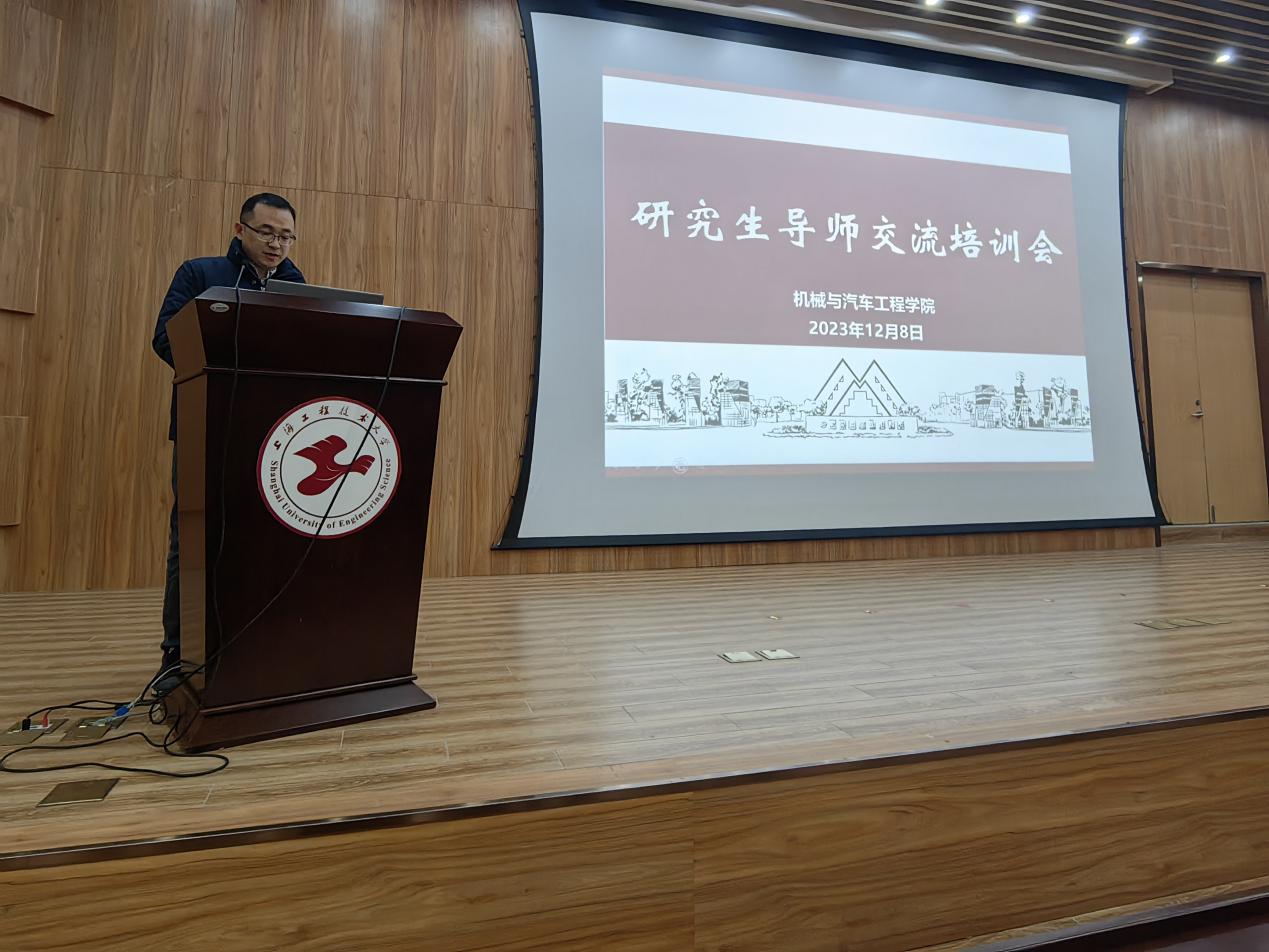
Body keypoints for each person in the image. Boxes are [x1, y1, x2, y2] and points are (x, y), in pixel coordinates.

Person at [150, 193, 306, 691]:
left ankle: (253, 645)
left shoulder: (297, 285)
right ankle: (178, 654)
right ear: (240, 230)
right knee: (193, 538)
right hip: (205, 424)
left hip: (270, 433)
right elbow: (166, 339)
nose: (277, 244)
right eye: (267, 232)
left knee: (261, 538)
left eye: (286, 236)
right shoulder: (200, 274)